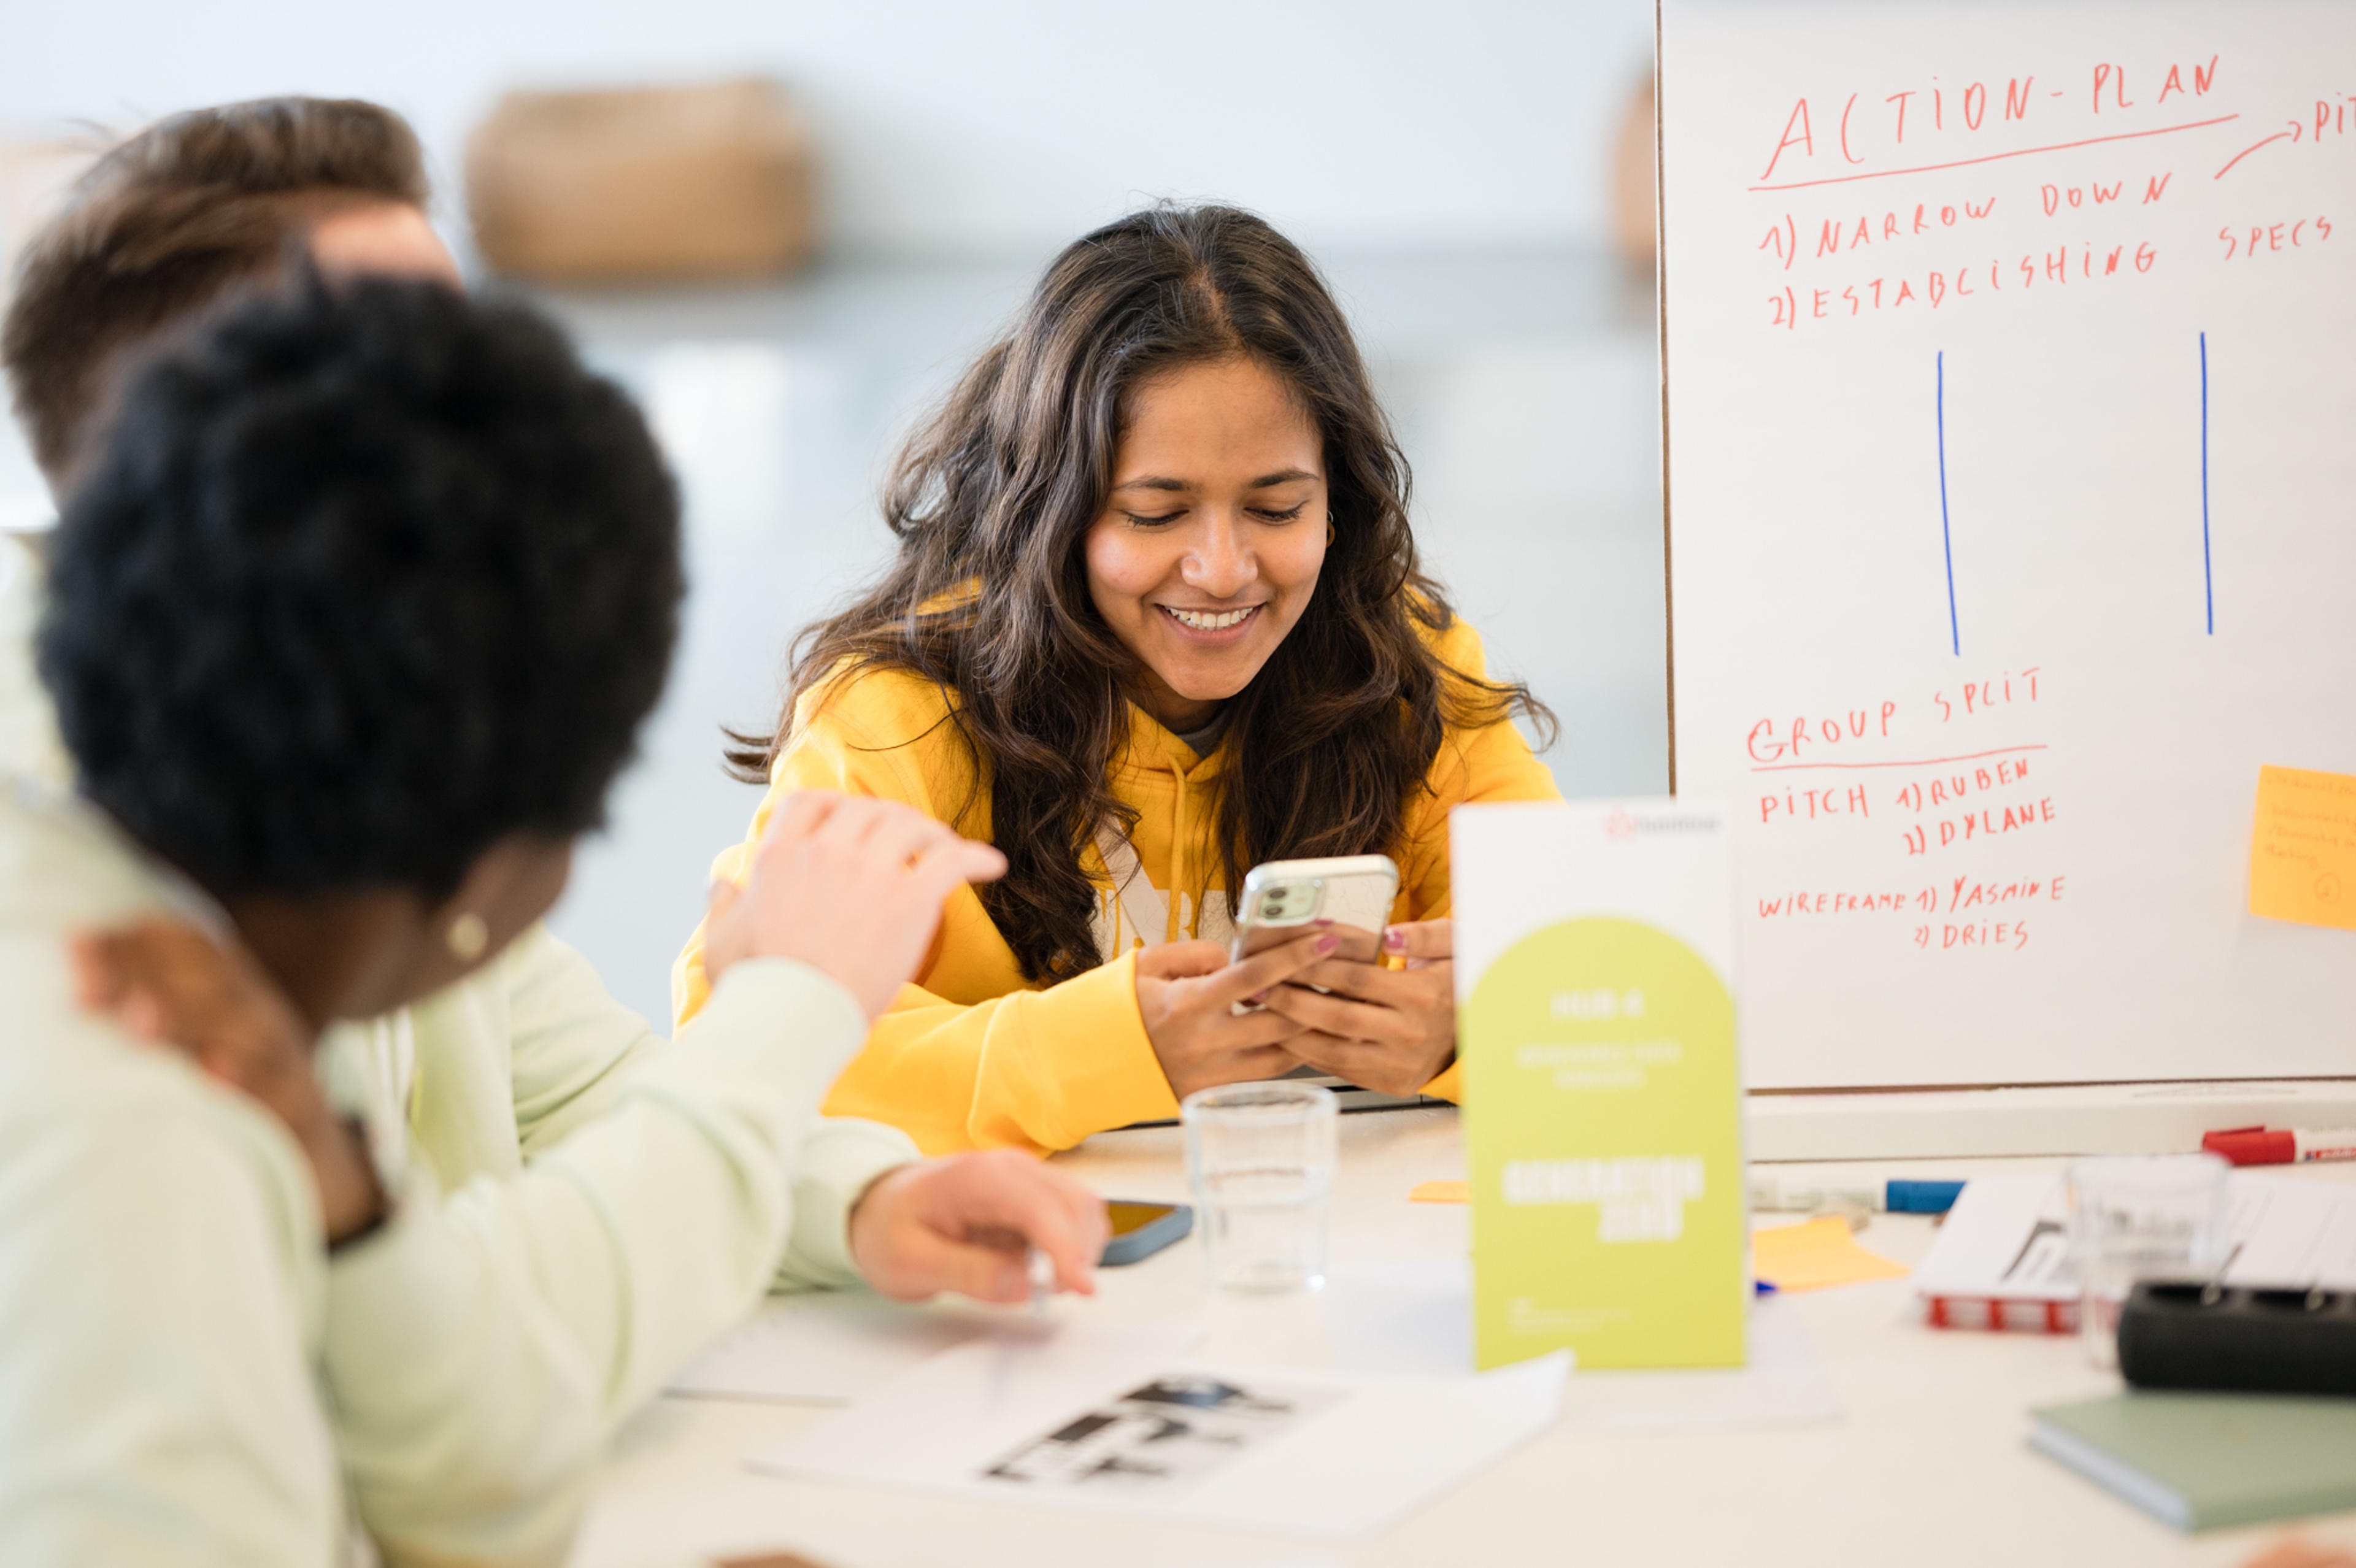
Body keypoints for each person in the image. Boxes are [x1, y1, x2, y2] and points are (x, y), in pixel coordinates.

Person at [0, 277, 1104, 1568]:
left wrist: (355, 1211)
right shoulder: (127, 1113)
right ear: (499, 847)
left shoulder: (174, 937)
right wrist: (788, 1007)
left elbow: (473, 1458)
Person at [674, 204, 1561, 1157]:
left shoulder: (1406, 671)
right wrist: (1112, 1049)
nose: (1223, 569)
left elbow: (1596, 963)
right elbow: (739, 1057)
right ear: (1048, 513)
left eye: (1277, 506)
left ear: (1339, 505)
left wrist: (1472, 1027)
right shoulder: (891, 718)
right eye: (1153, 514)